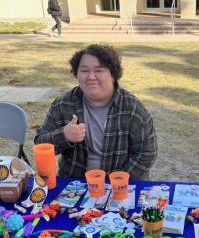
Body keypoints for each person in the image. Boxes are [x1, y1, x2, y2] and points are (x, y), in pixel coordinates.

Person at [34, 44, 157, 180]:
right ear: (77, 73)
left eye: (99, 70)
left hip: (121, 185)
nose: (91, 76)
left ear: (113, 75)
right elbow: (40, 143)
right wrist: (65, 136)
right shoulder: (63, 104)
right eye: (84, 70)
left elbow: (147, 152)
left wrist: (118, 180)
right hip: (75, 184)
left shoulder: (132, 108)